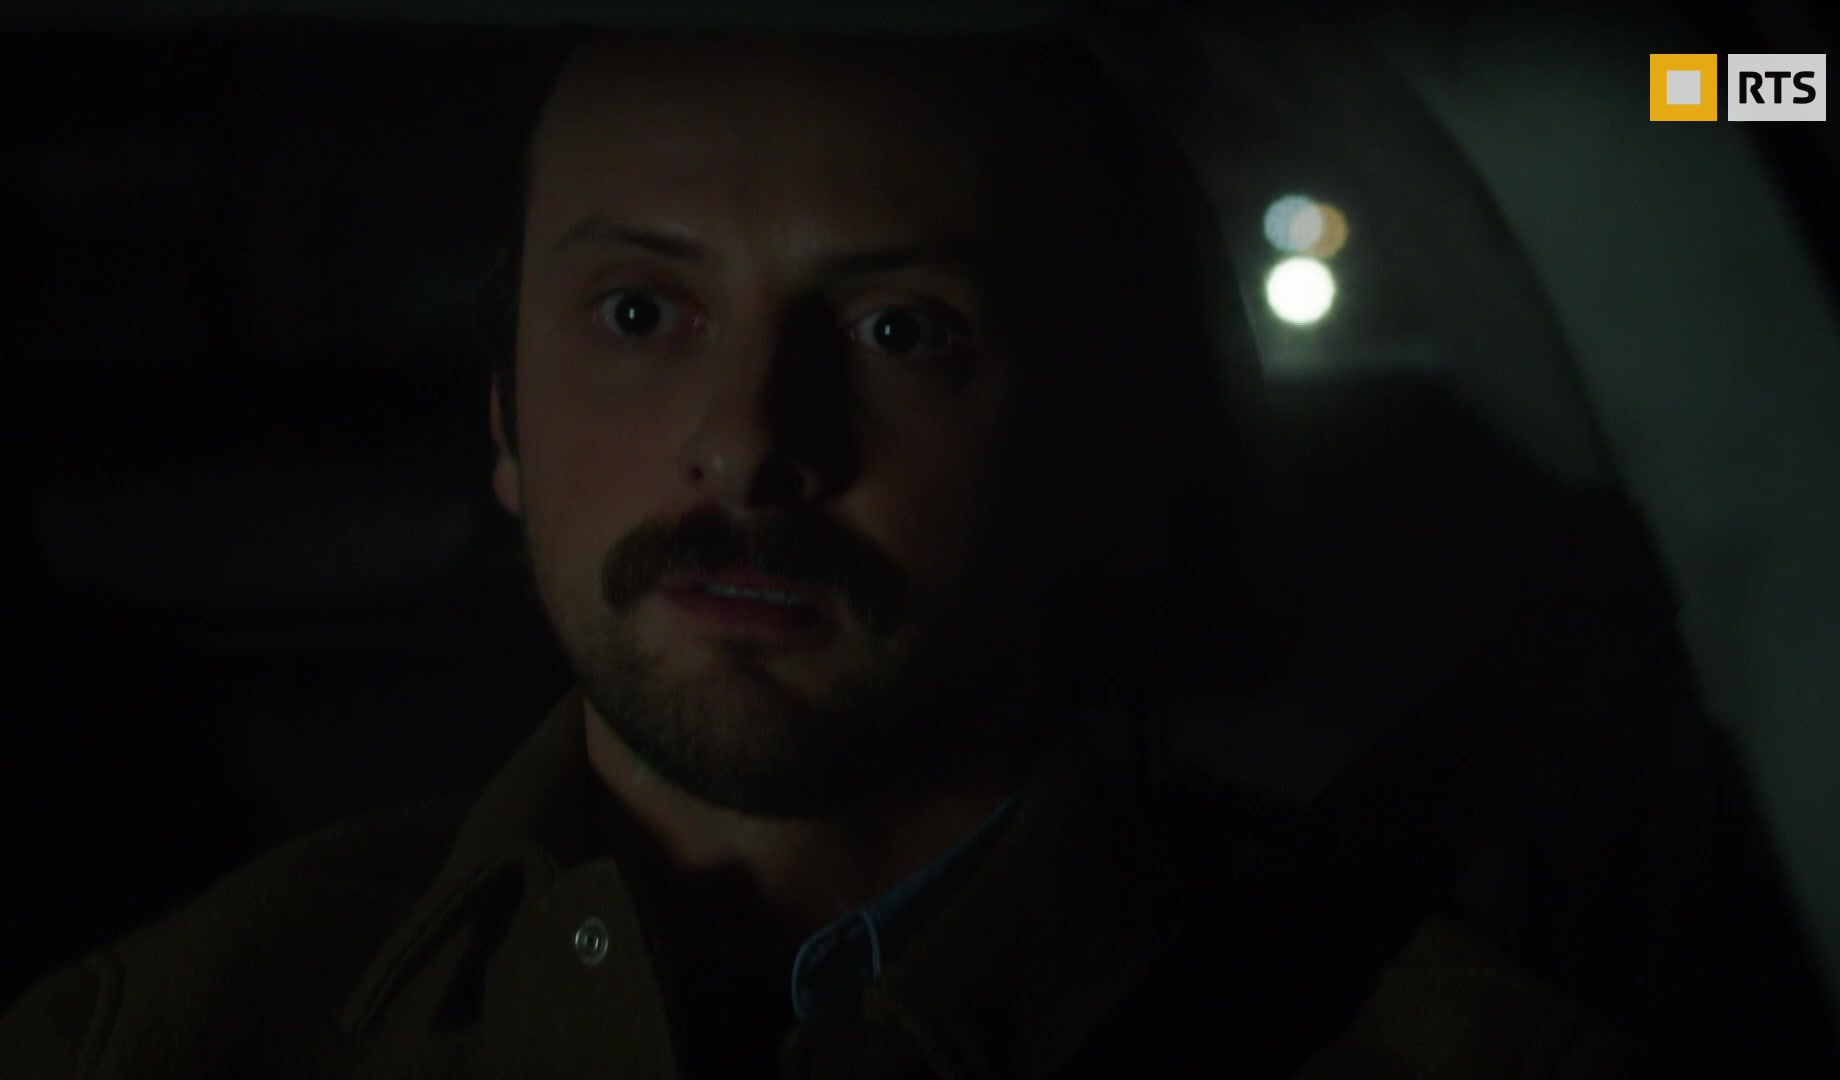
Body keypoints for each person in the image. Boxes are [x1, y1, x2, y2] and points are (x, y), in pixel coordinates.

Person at [0, 26, 1652, 1078]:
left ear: (1099, 435)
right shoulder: (173, 1031)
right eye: (637, 313)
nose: (747, 441)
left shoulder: (1451, 1044)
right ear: (504, 413)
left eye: (898, 328)